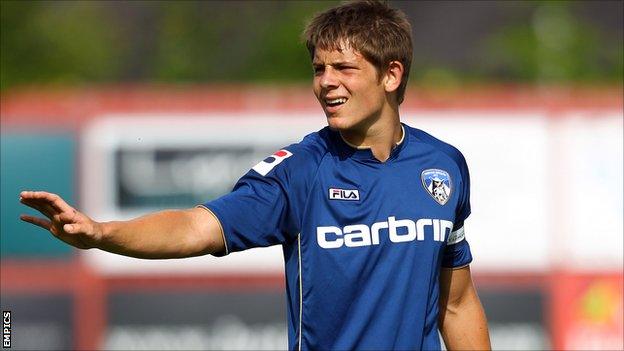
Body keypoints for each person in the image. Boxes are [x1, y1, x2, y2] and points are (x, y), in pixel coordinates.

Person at [19, 1, 491, 350]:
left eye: (344, 68)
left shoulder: (443, 166)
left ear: (391, 75)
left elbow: (457, 302)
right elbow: (195, 227)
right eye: (319, 69)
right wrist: (102, 233)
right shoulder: (300, 171)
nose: (326, 82)